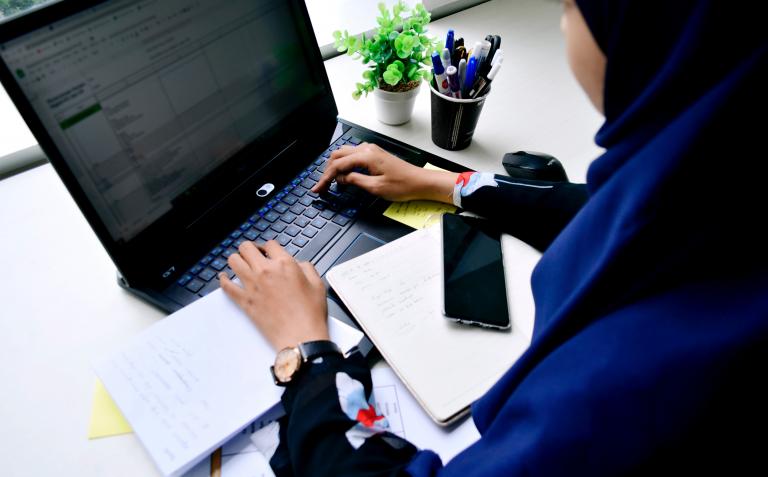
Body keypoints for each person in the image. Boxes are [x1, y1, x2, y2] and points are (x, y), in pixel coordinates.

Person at [219, 0, 768, 474]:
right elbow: (604, 210)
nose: (562, 23)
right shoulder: (711, 182)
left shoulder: (633, 383)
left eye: (574, 6)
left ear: (650, 35)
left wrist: (307, 349)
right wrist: (441, 182)